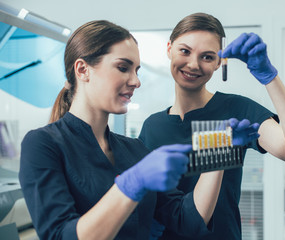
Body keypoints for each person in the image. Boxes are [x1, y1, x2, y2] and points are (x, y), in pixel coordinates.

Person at [18, 20, 260, 240]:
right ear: (83, 70)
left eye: (136, 70)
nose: (136, 81)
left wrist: (219, 151)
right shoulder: (43, 144)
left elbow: (187, 220)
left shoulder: (134, 150)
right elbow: (59, 235)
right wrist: (130, 185)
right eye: (123, 68)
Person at [139, 12, 285, 240]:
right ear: (169, 49)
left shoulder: (236, 109)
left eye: (207, 56)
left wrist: (269, 78)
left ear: (218, 63)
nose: (193, 64)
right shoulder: (152, 126)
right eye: (185, 51)